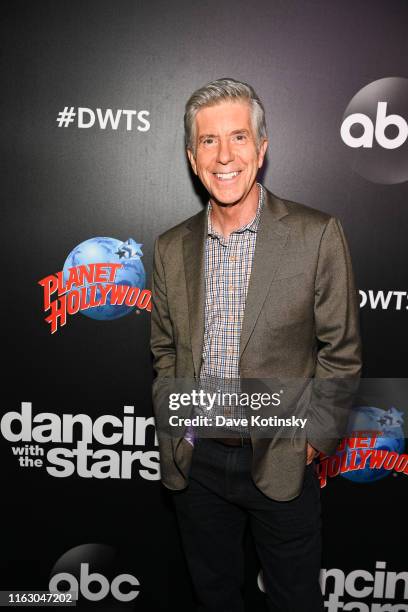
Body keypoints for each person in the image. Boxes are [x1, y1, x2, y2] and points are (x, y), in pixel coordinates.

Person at [150, 78, 362, 612]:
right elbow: (166, 351)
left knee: (295, 601)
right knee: (214, 596)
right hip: (196, 463)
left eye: (239, 137)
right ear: (192, 158)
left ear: (261, 150)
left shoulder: (317, 234)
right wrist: (177, 423)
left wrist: (312, 442)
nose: (225, 156)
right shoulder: (170, 247)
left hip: (282, 461)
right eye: (208, 141)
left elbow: (341, 352)